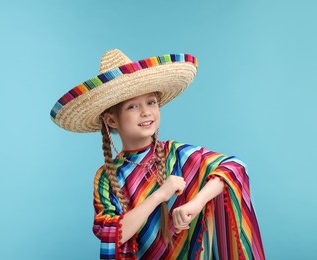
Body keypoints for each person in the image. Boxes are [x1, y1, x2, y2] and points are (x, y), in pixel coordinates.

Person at [50, 49, 265, 259]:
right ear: (112, 120)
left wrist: (196, 203)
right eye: (132, 106)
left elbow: (234, 167)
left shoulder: (176, 153)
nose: (146, 112)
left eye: (151, 102)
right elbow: (112, 234)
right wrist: (160, 195)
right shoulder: (106, 177)